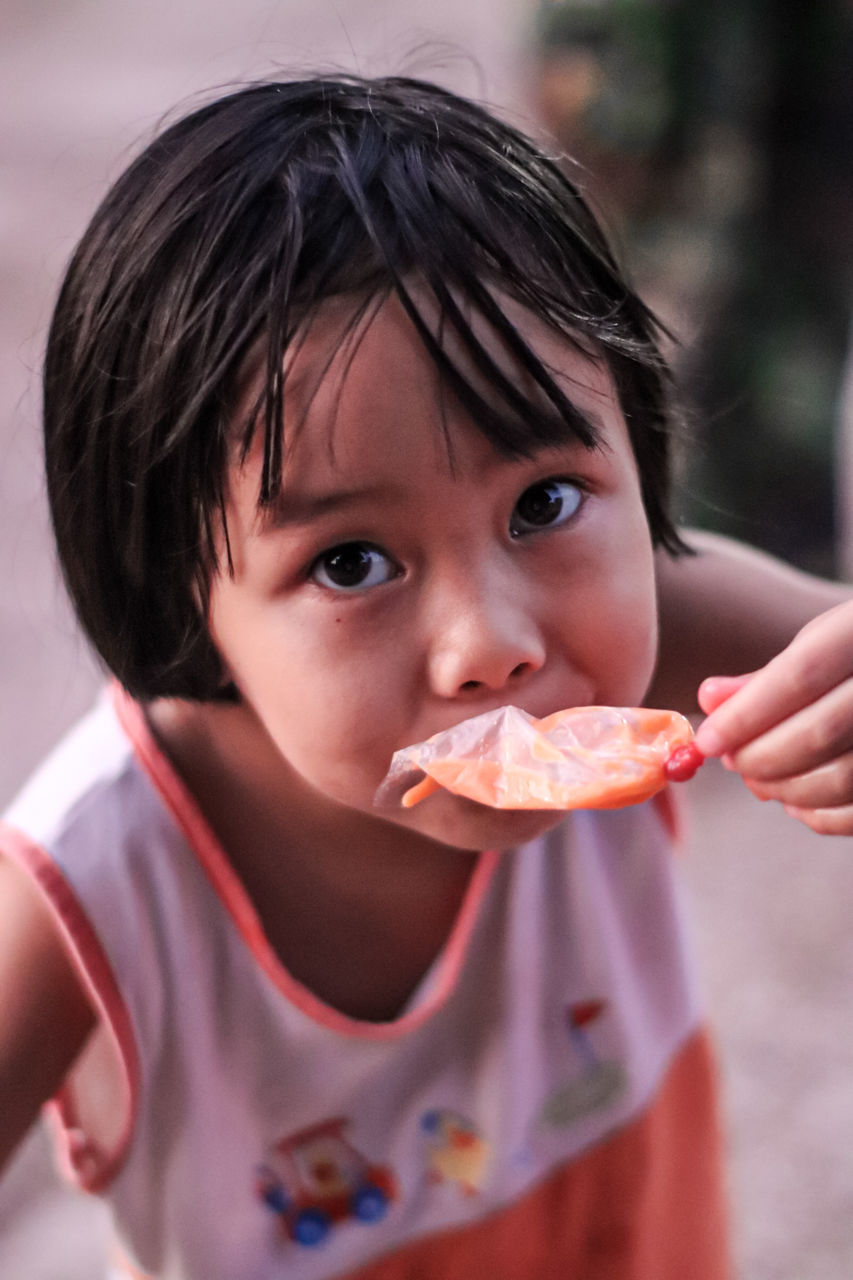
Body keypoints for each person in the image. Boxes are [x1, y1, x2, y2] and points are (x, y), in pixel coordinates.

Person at [0, 76, 850, 1279]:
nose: (489, 643)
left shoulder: (686, 635)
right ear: (178, 586)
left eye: (543, 502)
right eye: (351, 561)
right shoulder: (87, 886)